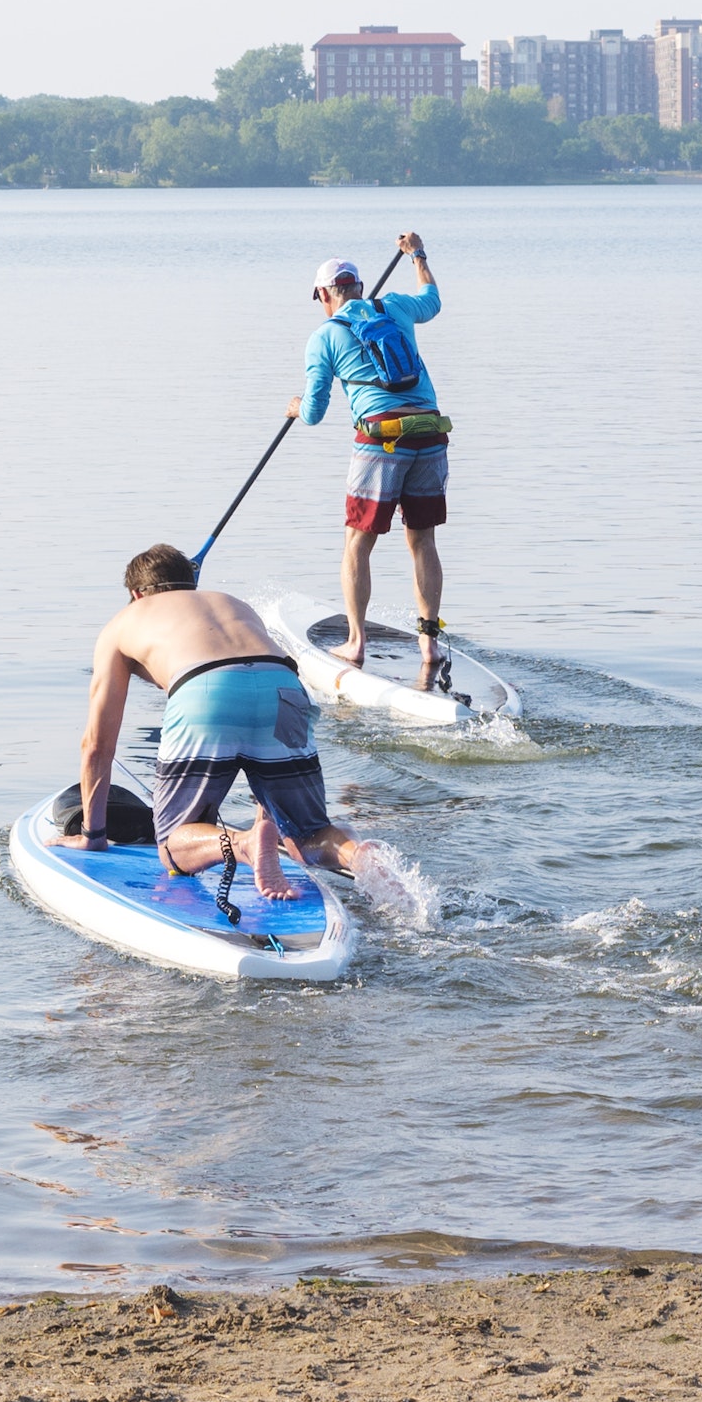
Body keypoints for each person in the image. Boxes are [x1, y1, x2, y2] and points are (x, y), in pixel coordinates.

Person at [74, 544, 397, 905]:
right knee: (309, 836)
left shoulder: (123, 622)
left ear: (136, 594)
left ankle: (242, 843)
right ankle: (360, 854)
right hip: (284, 685)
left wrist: (94, 833)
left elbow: (97, 746)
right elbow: (255, 690)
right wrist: (269, 823)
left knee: (171, 846)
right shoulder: (232, 604)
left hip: (205, 689)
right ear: (191, 585)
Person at [291, 233, 449, 680]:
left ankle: (356, 643)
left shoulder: (324, 336)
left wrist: (294, 407)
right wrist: (417, 255)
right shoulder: (395, 306)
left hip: (382, 441)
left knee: (357, 543)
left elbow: (314, 413)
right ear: (358, 287)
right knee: (422, 540)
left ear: (325, 294)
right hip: (430, 432)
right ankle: (429, 643)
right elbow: (432, 300)